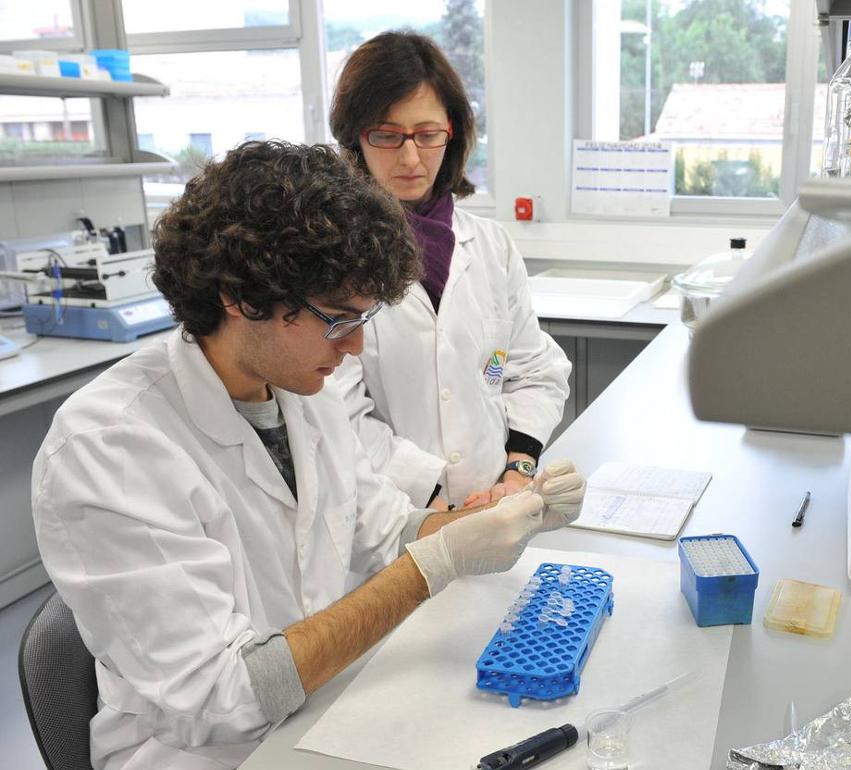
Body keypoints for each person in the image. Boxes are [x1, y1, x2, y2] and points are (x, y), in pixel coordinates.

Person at [30, 141, 585, 770]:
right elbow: (220, 696)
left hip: (322, 703)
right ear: (241, 297)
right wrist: (435, 563)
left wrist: (513, 513)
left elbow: (383, 531)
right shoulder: (110, 448)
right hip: (209, 753)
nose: (353, 350)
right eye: (336, 320)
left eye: (365, 319)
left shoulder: (299, 389)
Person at [329, 31, 572, 510]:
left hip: (494, 504)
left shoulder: (491, 247)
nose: (411, 157)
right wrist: (433, 495)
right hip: (388, 515)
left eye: (427, 134)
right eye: (387, 135)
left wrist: (517, 470)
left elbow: (531, 370)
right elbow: (332, 408)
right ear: (356, 137)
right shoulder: (332, 255)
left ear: (452, 132)